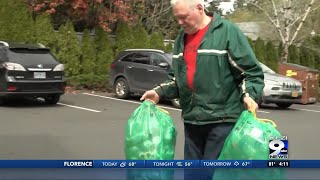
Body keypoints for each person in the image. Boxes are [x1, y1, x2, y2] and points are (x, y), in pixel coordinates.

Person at [140, 0, 264, 179]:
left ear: (199, 8)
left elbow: (251, 73)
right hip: (192, 123)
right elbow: (176, 78)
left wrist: (249, 95)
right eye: (177, 18)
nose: (180, 23)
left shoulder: (227, 32)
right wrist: (158, 92)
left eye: (183, 17)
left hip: (222, 122)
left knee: (213, 175)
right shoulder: (181, 39)